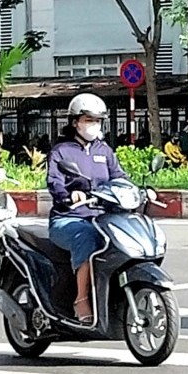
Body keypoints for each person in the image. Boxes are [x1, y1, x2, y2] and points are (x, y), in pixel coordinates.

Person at [46, 93, 127, 324]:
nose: (94, 125)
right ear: (75, 122)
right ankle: (81, 299)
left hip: (102, 217)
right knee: (87, 238)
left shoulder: (104, 151)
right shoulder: (62, 152)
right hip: (69, 218)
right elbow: (54, 182)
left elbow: (119, 177)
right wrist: (69, 195)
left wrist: (139, 191)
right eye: (89, 120)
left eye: (98, 120)